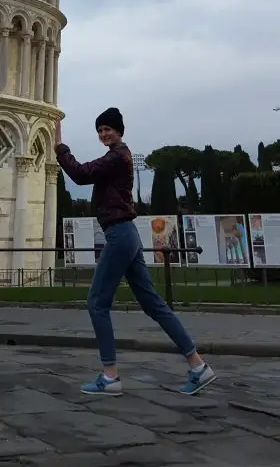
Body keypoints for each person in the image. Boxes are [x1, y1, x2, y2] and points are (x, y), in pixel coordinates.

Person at [54, 108, 216, 397]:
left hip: (119, 235)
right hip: (127, 235)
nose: (104, 133)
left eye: (108, 129)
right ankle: (198, 366)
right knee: (153, 304)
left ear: (119, 131)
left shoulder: (116, 157)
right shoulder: (118, 156)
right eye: (100, 129)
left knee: (97, 303)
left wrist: (60, 146)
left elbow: (79, 174)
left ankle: (110, 375)